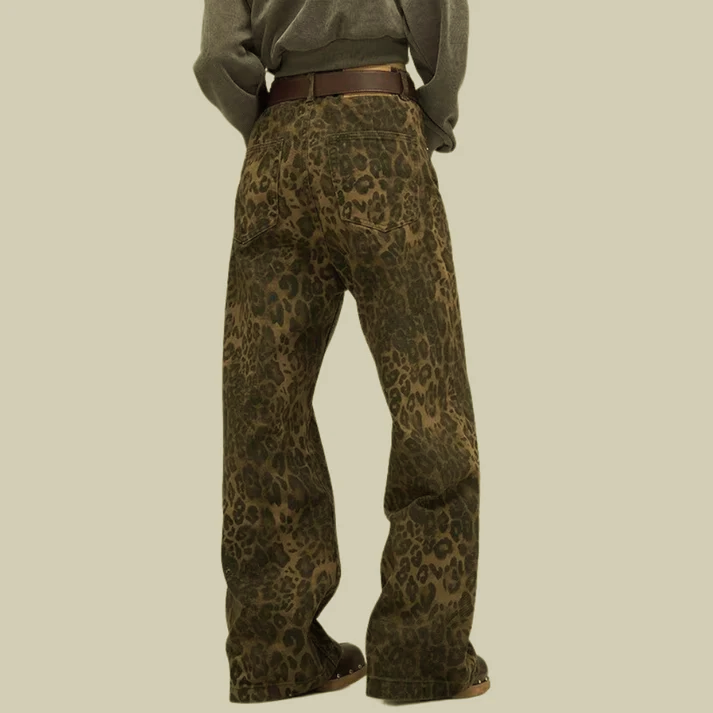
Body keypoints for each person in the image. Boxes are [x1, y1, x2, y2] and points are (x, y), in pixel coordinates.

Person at [192, 0, 490, 703]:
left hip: (279, 152)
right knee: (428, 401)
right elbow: (443, 34)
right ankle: (423, 653)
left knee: (263, 406)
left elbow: (218, 56)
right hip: (380, 128)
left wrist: (272, 127)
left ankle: (275, 655)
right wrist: (427, 121)